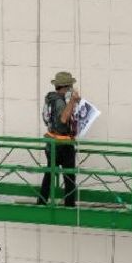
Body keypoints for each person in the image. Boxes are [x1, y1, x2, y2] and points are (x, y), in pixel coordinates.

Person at [39, 71, 81, 207]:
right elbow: (63, 119)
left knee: (49, 174)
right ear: (66, 87)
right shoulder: (60, 102)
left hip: (51, 142)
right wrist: (73, 101)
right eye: (70, 86)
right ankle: (69, 204)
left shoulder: (50, 99)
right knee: (69, 176)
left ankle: (42, 201)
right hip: (62, 143)